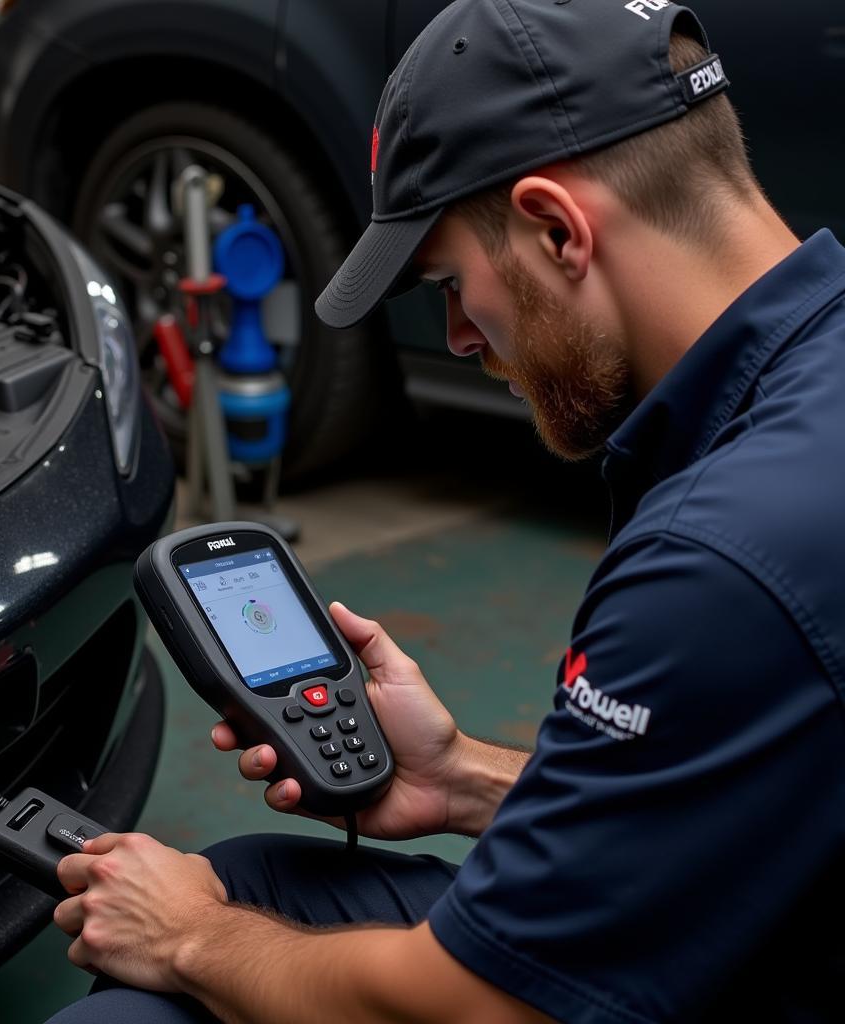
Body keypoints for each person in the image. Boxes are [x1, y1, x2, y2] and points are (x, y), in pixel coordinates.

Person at [46, 0, 845, 1021]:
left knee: (148, 992)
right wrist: (460, 778)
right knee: (255, 877)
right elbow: (746, 807)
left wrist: (189, 938)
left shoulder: (718, 557)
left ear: (558, 227)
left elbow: (474, 1011)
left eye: (452, 285)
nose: (460, 337)